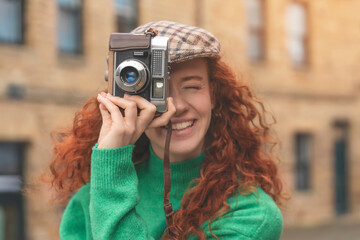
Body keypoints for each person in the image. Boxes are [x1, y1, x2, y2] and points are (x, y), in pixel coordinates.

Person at [47, 21, 285, 240]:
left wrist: (111, 177)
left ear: (213, 94)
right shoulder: (91, 200)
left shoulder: (251, 215)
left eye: (192, 86)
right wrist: (110, 161)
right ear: (124, 97)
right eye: (157, 90)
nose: (178, 105)